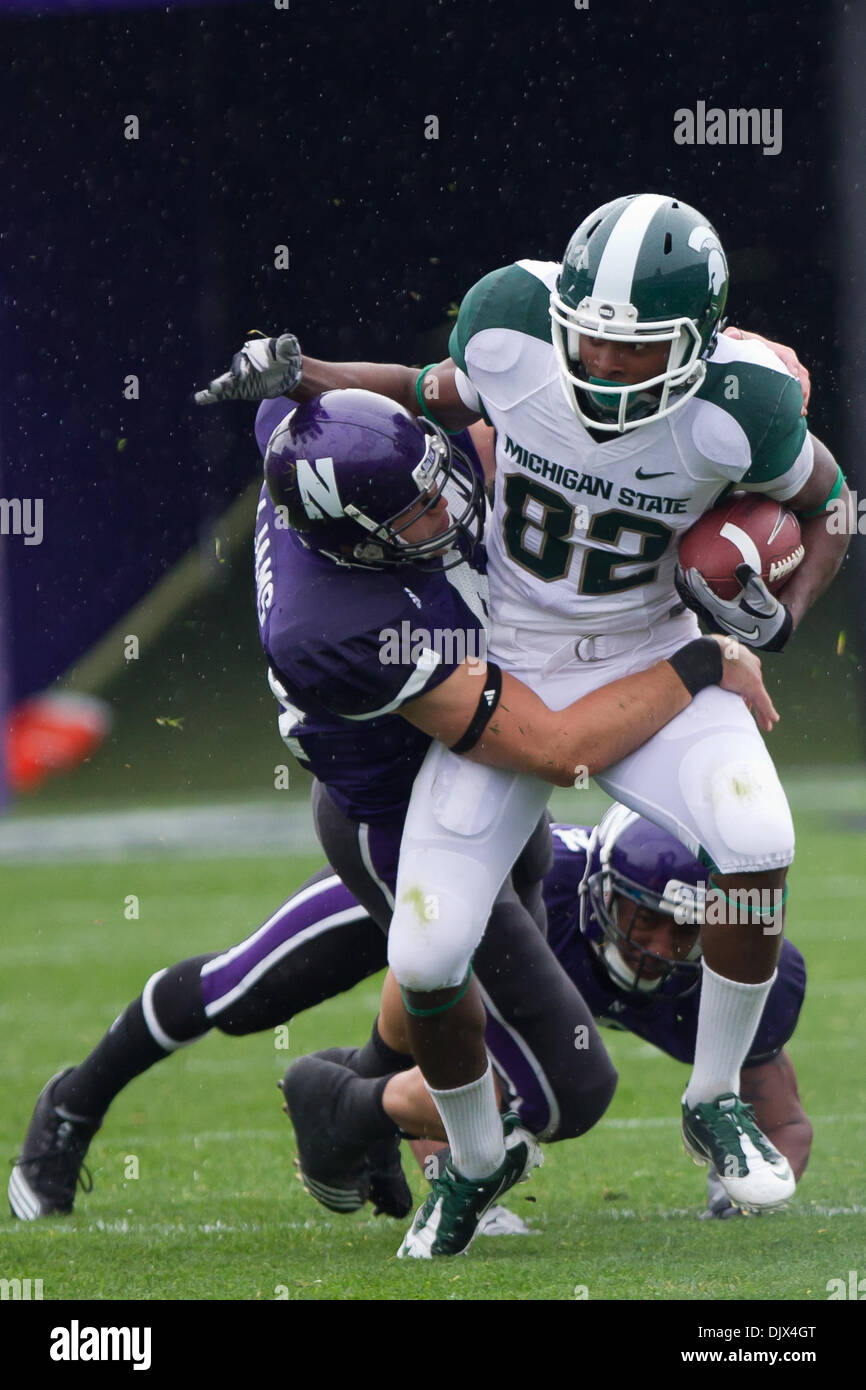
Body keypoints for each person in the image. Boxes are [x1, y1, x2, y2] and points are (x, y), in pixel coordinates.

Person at [194, 193, 847, 1252]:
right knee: (426, 948)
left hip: (645, 650)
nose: (596, 360)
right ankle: (474, 1154)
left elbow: (832, 507)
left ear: (697, 342)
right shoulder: (510, 321)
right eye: (585, 333)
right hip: (502, 656)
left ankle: (713, 1094)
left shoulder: (746, 404)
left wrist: (781, 612)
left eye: (631, 349)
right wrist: (304, 372)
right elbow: (419, 393)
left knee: (758, 838)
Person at [9, 390, 774, 1247]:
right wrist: (700, 659)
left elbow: (319, 409)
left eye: (432, 481)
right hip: (396, 822)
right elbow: (556, 747)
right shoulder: (336, 629)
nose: (447, 508)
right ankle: (90, 1104)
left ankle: (363, 1117)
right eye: (414, 514)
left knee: (416, 999)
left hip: (491, 802)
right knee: (276, 996)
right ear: (350, 540)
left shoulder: (314, 445)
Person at [8, 806, 810, 1228]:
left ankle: (348, 1107)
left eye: (688, 930)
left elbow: (783, 1119)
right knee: (242, 991)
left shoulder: (737, 969)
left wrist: (741, 1192)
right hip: (436, 886)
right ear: (601, 891)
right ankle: (73, 1103)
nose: (664, 946)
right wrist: (441, 1161)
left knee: (536, 1091)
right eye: (644, 917)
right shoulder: (555, 896)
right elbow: (431, 997)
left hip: (468, 955)